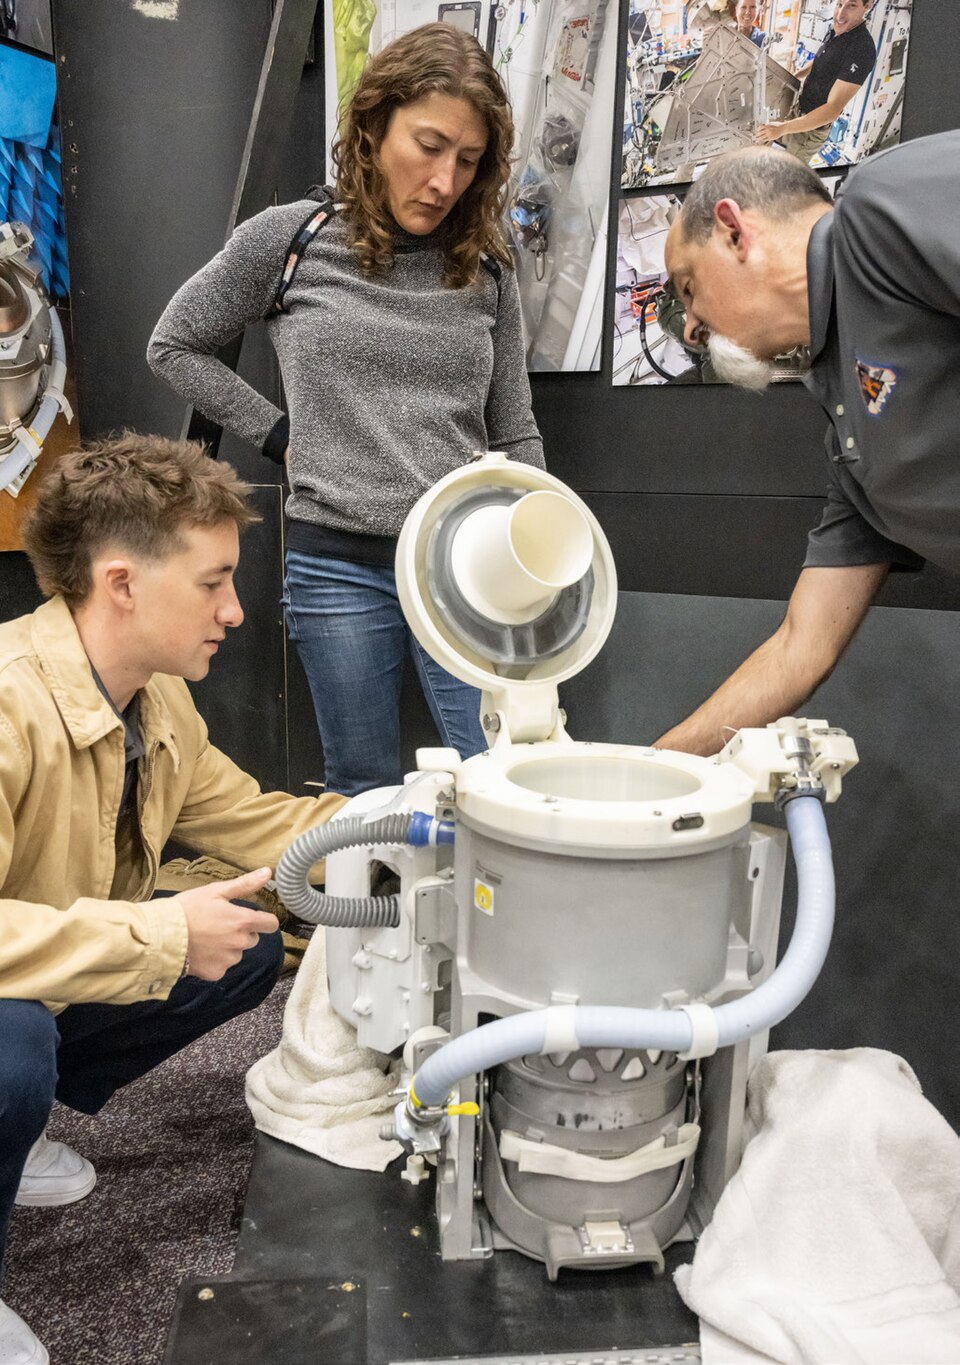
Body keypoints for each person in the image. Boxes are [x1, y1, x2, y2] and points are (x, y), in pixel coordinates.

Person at [0, 433, 346, 1364]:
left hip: (47, 967)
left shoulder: (157, 701)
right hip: (11, 994)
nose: (236, 610)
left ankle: (15, 1137)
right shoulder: (6, 702)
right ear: (121, 582)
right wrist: (158, 934)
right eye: (212, 582)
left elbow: (254, 820)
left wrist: (398, 816)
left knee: (242, 945)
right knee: (9, 1046)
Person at [148, 22, 545, 800]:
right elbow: (174, 344)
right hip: (339, 566)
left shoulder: (487, 265)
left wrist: (537, 551)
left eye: (468, 160)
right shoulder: (292, 239)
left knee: (503, 776)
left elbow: (515, 427)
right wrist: (282, 435)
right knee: (361, 785)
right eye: (428, 146)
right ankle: (364, 922)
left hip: (465, 568)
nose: (444, 180)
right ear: (372, 126)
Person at [657, 131, 960, 755]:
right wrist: (653, 771)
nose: (689, 327)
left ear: (734, 232)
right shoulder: (852, 437)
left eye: (688, 288)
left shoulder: (881, 208)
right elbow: (801, 646)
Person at [756, 0, 876, 163]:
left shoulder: (862, 49)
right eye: (839, 4)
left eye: (851, 5)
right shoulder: (837, 30)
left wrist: (782, 128)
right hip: (797, 113)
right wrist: (792, 77)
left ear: (867, 5)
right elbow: (821, 59)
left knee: (783, 173)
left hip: (810, 132)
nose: (840, 14)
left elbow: (832, 110)